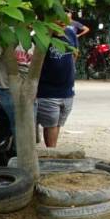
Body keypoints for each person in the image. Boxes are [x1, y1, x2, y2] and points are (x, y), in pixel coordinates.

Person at [37, 15, 79, 148]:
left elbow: (75, 53)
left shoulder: (70, 34)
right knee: (51, 125)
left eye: (66, 19)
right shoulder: (42, 36)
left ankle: (52, 152)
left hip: (67, 91)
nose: (62, 22)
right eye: (58, 18)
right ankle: (52, 153)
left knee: (57, 124)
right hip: (47, 92)